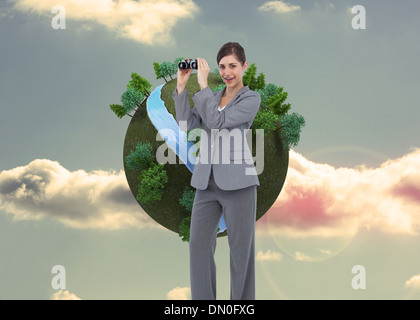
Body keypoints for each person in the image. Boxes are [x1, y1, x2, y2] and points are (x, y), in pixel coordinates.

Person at [172, 42, 261, 300]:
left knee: (240, 253)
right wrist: (181, 86)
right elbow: (186, 125)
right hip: (206, 183)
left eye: (233, 66)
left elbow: (217, 123)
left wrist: (202, 87)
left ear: (244, 66)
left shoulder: (250, 98)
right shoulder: (211, 97)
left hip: (239, 184)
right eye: (222, 66)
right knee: (198, 247)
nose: (227, 72)